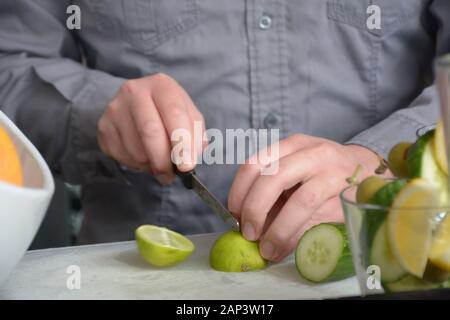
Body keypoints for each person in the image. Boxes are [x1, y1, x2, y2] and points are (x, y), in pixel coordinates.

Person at [0, 1, 449, 261]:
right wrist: (94, 109)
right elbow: (10, 62)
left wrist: (380, 158)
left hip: (389, 262)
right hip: (131, 278)